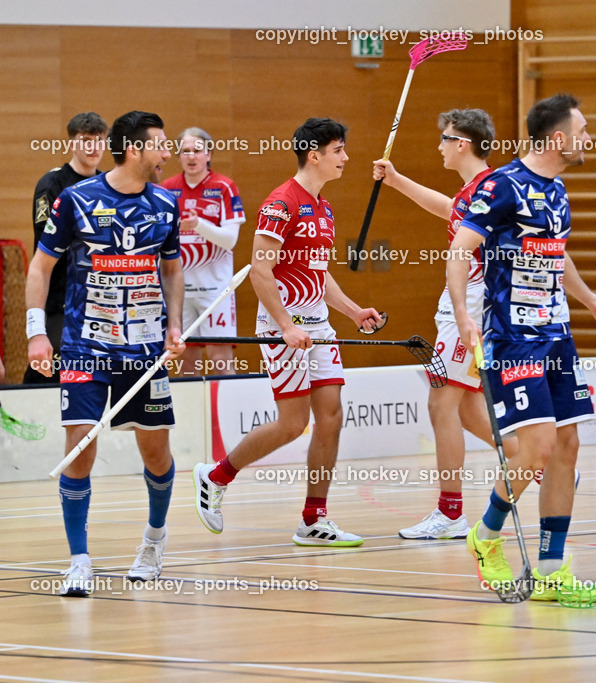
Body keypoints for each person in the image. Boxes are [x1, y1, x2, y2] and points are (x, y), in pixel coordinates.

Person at [448, 93, 596, 600]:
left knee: (567, 446)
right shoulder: (501, 186)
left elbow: (554, 255)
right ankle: (485, 534)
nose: (589, 137)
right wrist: (465, 316)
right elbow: (459, 252)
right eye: (584, 129)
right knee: (539, 448)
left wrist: (589, 299)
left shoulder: (558, 190)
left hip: (558, 334)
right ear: (559, 138)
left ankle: (550, 570)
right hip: (513, 338)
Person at [193, 117, 383, 547]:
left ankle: (314, 519)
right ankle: (215, 476)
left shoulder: (324, 207)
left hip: (318, 324)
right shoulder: (281, 203)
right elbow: (260, 270)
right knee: (292, 423)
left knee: (331, 416)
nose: (346, 158)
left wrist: (353, 311)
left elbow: (319, 273)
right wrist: (286, 326)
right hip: (284, 327)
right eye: (339, 151)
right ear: (315, 154)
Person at [25, 110, 185, 597]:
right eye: (160, 144)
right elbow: (39, 268)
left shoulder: (166, 204)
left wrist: (175, 325)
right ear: (135, 149)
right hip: (83, 350)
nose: (167, 153)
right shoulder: (74, 200)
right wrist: (37, 333)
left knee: (156, 455)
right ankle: (79, 559)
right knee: (79, 452)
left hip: (145, 351)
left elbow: (173, 269)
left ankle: (154, 542)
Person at [372, 108, 519, 540]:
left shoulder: (491, 189)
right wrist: (396, 180)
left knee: (441, 403)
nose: (438, 145)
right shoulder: (474, 191)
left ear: (463, 144)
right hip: (460, 309)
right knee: (470, 410)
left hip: (471, 310)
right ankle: (536, 462)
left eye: (444, 138)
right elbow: (448, 210)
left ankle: (450, 513)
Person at [24, 112, 108, 384]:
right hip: (62, 299)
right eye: (85, 140)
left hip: (102, 301)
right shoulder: (53, 184)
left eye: (99, 140)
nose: (93, 147)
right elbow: (46, 248)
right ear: (72, 143)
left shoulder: (109, 185)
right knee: (49, 370)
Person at [162, 127, 245, 376]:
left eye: (197, 151)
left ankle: (226, 413)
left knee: (221, 359)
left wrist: (199, 224)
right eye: (185, 151)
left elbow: (230, 240)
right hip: (181, 292)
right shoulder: (167, 189)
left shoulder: (224, 187)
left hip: (216, 292)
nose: (191, 156)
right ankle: (195, 416)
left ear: (208, 154)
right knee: (188, 362)